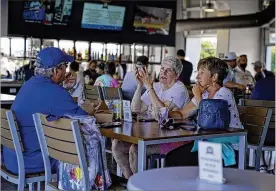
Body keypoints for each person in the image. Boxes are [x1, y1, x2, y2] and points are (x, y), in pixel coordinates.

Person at [2, 47, 97, 175]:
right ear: (56, 71)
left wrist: (64, 89)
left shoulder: (29, 84)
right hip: (30, 160)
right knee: (77, 151)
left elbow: (50, 103)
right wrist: (90, 109)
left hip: (11, 158)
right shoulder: (56, 93)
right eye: (65, 66)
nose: (67, 70)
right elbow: (85, 120)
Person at [112, 56, 190, 179]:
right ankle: (130, 181)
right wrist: (139, 86)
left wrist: (149, 87)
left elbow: (161, 113)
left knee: (136, 149)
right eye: (162, 68)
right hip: (153, 134)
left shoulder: (179, 89)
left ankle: (141, 184)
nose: (163, 73)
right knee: (117, 145)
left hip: (174, 138)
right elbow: (136, 109)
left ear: (177, 74)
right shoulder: (157, 86)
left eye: (168, 70)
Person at [167, 57, 242, 167]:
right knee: (171, 157)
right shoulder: (204, 95)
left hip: (227, 145)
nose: (197, 76)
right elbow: (182, 114)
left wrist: (198, 96)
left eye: (202, 72)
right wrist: (164, 113)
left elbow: (210, 121)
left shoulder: (224, 94)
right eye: (198, 72)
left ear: (214, 77)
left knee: (176, 160)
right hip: (208, 142)